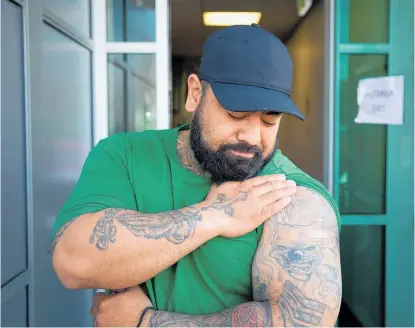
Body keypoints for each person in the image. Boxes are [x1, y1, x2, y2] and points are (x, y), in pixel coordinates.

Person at [52, 24, 341, 327]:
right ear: (195, 93)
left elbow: (302, 322)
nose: (252, 137)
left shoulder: (292, 196)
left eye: (270, 120)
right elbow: (73, 262)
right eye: (236, 114)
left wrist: (146, 323)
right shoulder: (124, 155)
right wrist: (213, 215)